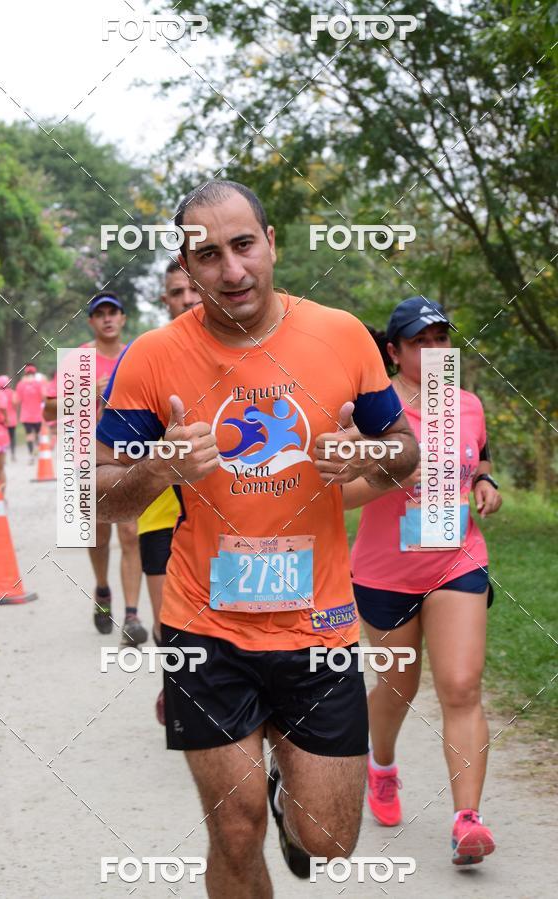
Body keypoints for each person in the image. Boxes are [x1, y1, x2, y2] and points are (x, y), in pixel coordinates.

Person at [95, 180, 418, 894]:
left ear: (271, 244)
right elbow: (93, 494)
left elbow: (404, 448)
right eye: (207, 255)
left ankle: (286, 793)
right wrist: (161, 464)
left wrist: (364, 454)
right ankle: (252, 805)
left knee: (328, 840)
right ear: (187, 265)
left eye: (243, 245)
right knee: (233, 831)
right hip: (202, 623)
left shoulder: (339, 335)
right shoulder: (149, 359)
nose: (231, 269)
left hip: (319, 623)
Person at [344, 297, 502, 867]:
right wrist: (393, 474)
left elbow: (476, 455)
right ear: (394, 352)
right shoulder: (374, 415)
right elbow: (339, 496)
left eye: (441, 338)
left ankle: (467, 820)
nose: (435, 350)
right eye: (420, 341)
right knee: (397, 688)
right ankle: (380, 766)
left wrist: (483, 481)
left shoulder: (469, 404)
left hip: (456, 560)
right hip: (385, 572)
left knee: (460, 685)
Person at [44, 293, 146, 647]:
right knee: (99, 534)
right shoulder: (78, 360)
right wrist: (87, 393)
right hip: (88, 455)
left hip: (129, 454)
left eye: (112, 313)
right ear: (91, 321)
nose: (107, 319)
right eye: (99, 314)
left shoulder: (137, 355)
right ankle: (103, 589)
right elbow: (48, 410)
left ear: (122, 318)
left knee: (130, 532)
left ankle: (132, 614)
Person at [136, 259, 201, 724]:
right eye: (177, 292)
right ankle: (179, 688)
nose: (187, 300)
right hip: (161, 510)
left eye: (192, 291)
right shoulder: (148, 356)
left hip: (227, 510)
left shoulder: (239, 347)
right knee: (168, 623)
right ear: (166, 299)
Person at [16, 364, 45, 463]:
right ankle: (37, 448)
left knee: (29, 434)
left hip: (26, 415)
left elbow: (16, 400)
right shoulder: (39, 383)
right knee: (37, 433)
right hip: (37, 415)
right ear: (34, 373)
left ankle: (30, 454)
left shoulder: (20, 384)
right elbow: (44, 396)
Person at [0, 375, 18, 462]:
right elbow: (15, 403)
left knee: (2, 438)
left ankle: (3, 456)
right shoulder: (12, 392)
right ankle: (13, 454)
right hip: (12, 419)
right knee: (12, 437)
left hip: (1, 419)